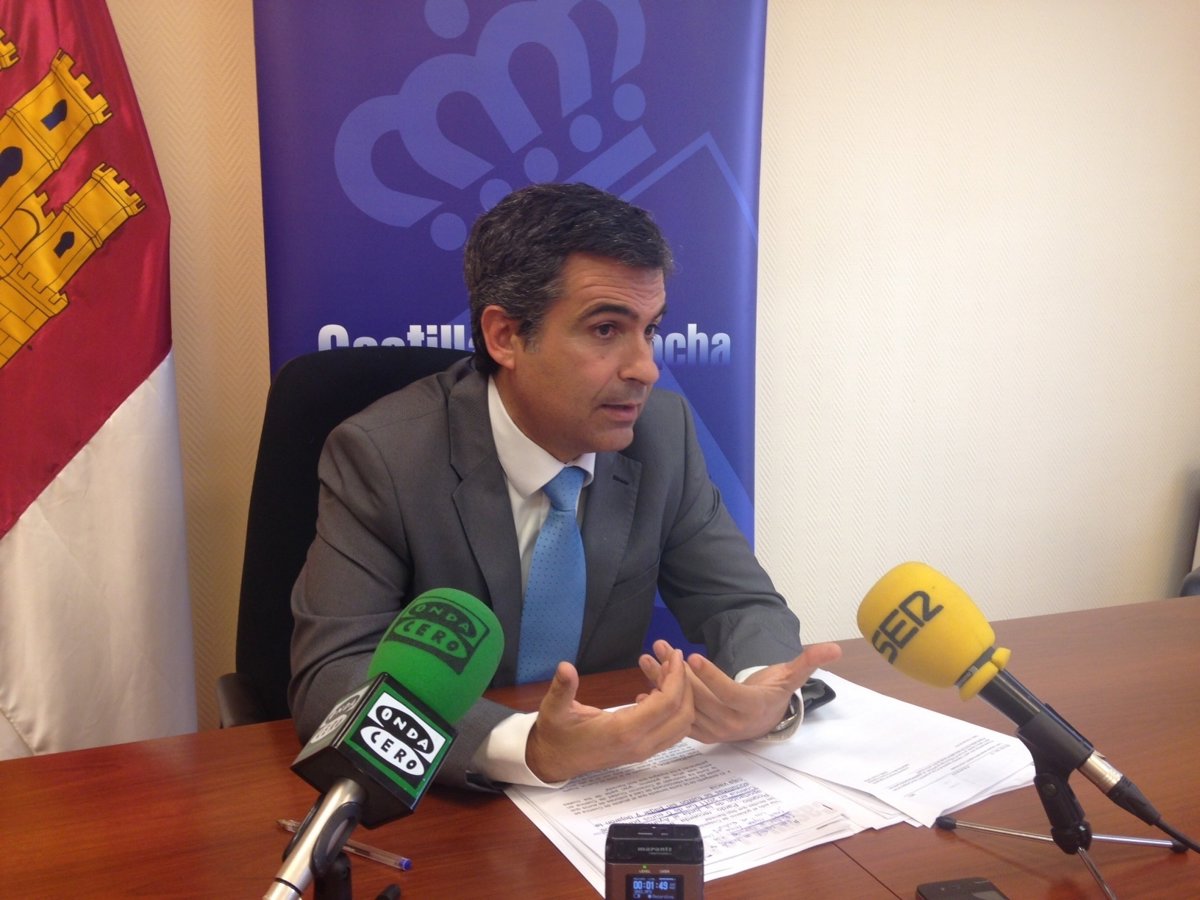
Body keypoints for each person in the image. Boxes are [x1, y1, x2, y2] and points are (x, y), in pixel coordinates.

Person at [289, 182, 841, 789]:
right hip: (446, 805)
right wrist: (522, 747)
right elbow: (333, 677)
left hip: (606, 791)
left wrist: (762, 693)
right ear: (505, 337)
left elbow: (740, 603)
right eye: (605, 329)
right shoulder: (385, 455)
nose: (646, 367)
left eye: (650, 329)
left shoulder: (664, 435)